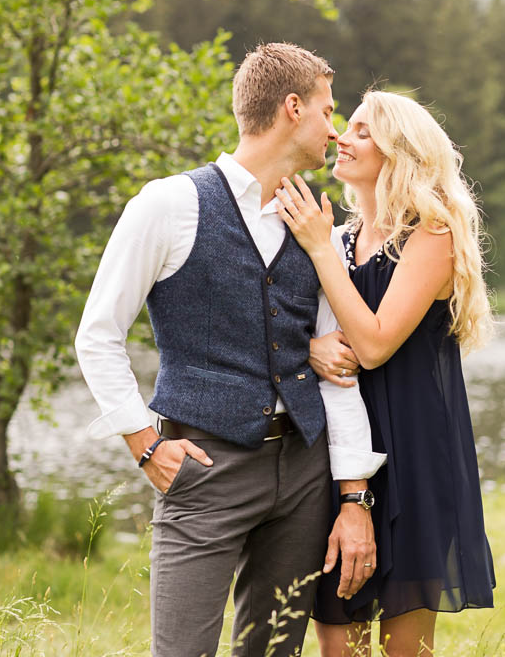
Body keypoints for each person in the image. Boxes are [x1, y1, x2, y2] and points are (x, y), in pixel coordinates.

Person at [74, 43, 386, 657]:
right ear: (292, 109)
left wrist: (353, 495)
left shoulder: (314, 221)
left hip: (301, 470)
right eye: (328, 111)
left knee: (272, 652)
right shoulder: (169, 204)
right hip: (204, 465)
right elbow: (98, 333)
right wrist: (145, 444)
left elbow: (338, 370)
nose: (335, 128)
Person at [273, 89, 496, 657]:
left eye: (362, 131)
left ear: (399, 152)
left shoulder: (432, 234)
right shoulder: (342, 240)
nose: (340, 139)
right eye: (344, 126)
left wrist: (320, 251)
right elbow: (295, 333)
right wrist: (311, 349)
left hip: (416, 456)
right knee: (338, 643)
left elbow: (372, 346)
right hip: (343, 458)